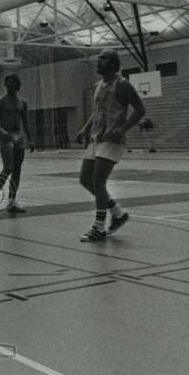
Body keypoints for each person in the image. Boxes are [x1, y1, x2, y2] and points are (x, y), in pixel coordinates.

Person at [75, 50, 145, 242]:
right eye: (98, 59)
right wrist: (84, 129)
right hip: (96, 138)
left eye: (103, 59)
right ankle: (118, 213)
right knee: (85, 180)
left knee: (98, 180)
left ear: (114, 63)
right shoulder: (98, 86)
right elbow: (96, 112)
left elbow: (140, 110)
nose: (98, 61)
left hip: (112, 140)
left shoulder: (122, 85)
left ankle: (98, 227)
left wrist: (122, 129)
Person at [0, 74, 34, 213]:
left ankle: (12, 201)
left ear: (17, 85)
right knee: (8, 167)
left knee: (17, 170)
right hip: (6, 136)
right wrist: (1, 131)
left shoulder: (23, 103)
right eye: (7, 82)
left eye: (12, 82)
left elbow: (25, 122)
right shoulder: (0, 101)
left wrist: (30, 139)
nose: (9, 84)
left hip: (19, 137)